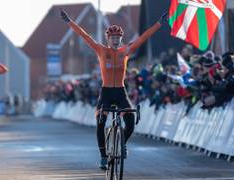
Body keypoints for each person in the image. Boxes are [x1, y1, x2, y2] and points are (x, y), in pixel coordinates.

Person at [60, 9, 168, 170]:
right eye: (113, 38)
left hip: (120, 92)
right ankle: (103, 157)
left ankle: (122, 143)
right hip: (106, 93)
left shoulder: (126, 51)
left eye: (118, 38)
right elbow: (84, 35)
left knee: (130, 122)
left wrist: (159, 23)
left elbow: (144, 37)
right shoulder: (101, 50)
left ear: (121, 39)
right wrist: (69, 21)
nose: (116, 40)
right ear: (108, 39)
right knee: (100, 123)